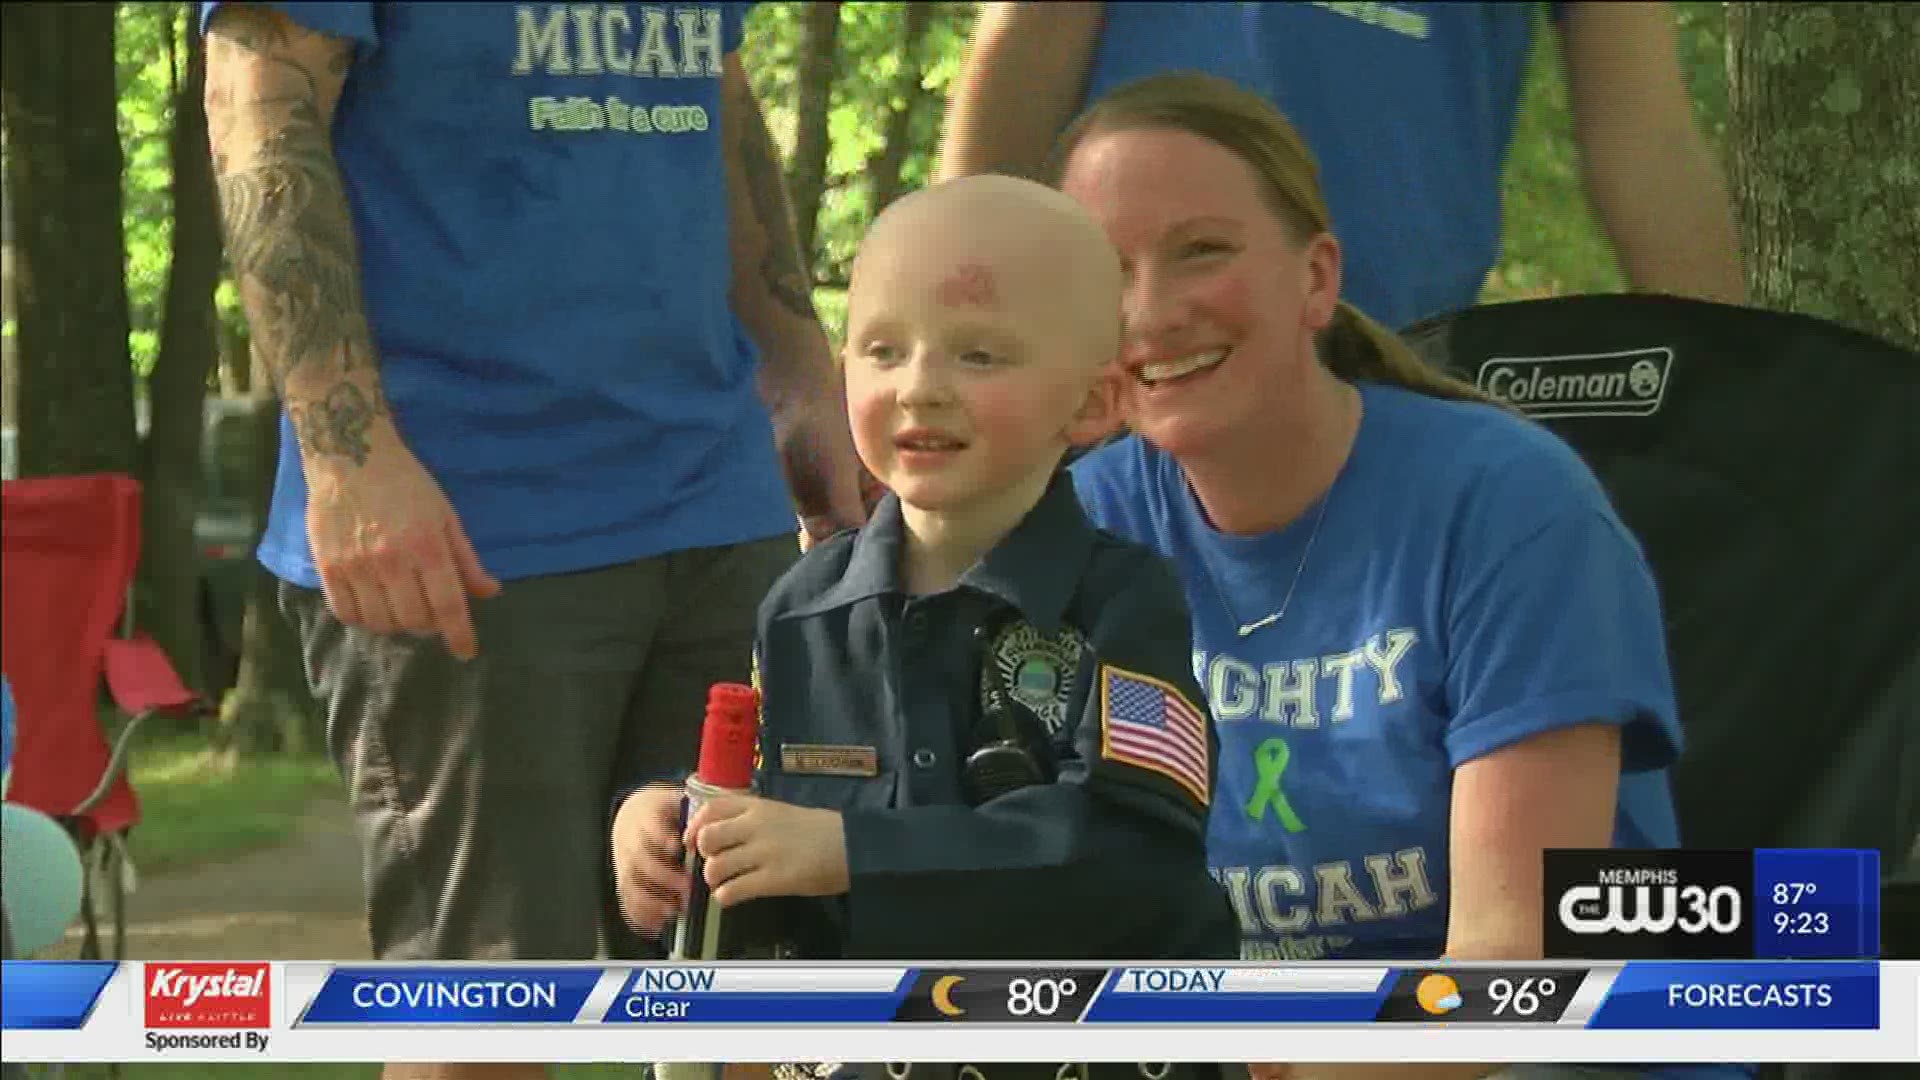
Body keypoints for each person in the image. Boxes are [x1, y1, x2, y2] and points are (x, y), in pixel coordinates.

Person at [203, 4, 866, 1078]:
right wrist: (348, 454)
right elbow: (260, 100)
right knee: (488, 1019)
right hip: (466, 533)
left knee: (758, 987)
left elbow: (718, 94)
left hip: (719, 498)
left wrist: (799, 375)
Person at [1046, 73, 1747, 1080]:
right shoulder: (1082, 526)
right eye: (1106, 276)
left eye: (1202, 250)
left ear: (1317, 279)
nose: (1150, 312)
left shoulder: (1513, 508)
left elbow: (1509, 979)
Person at [612, 175, 1239, 1080]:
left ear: (1094, 404)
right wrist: (670, 828)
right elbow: (767, 844)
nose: (920, 388)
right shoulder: (800, 610)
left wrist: (850, 853)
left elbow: (1131, 861)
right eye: (881, 350)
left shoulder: (1125, 603)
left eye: (979, 356)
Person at [939, 1, 1746, 333]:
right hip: (1123, 339)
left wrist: (1747, 387)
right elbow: (1030, 38)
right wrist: (944, 314)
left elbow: (1648, 136)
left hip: (1390, 358)